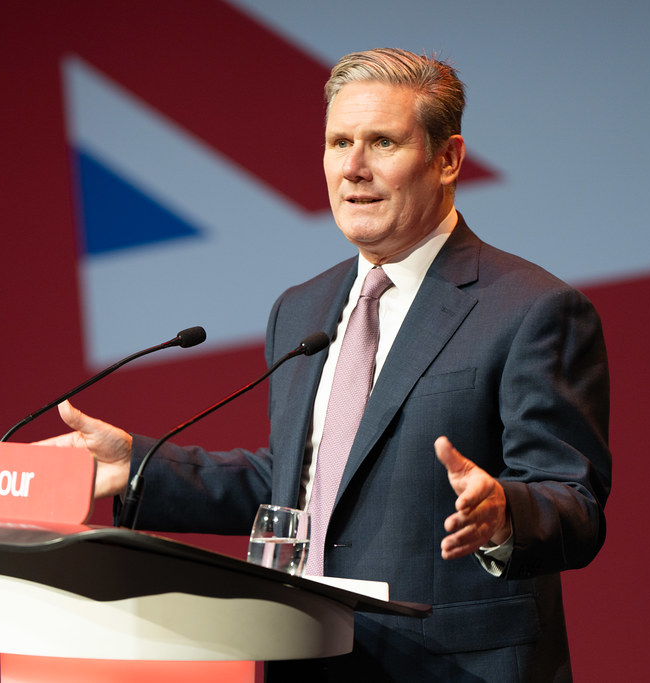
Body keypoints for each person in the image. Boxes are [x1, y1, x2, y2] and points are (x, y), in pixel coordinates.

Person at [42, 48, 612, 681]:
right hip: (310, 655)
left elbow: (574, 501)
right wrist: (138, 466)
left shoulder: (532, 309)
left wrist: (505, 511)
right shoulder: (302, 309)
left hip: (454, 667)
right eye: (338, 142)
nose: (354, 169)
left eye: (382, 143)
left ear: (448, 159)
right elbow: (299, 486)